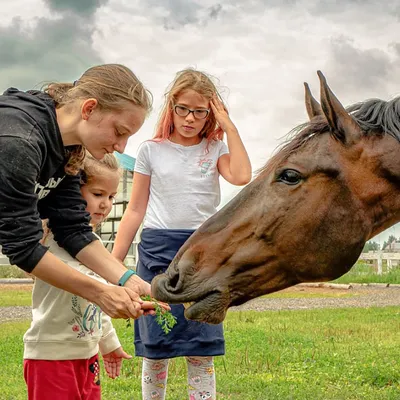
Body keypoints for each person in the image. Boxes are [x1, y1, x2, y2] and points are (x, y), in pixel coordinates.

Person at [112, 68, 252, 400]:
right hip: (157, 254)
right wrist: (113, 263)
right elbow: (135, 210)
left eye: (200, 111)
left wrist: (228, 126)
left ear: (211, 114)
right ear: (171, 107)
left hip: (203, 255)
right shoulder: (150, 151)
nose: (190, 118)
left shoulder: (215, 149)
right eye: (183, 109)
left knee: (201, 349)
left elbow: (243, 175)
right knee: (155, 351)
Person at [0, 64, 156, 319]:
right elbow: (23, 247)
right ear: (89, 108)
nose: (120, 146)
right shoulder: (20, 142)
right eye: (119, 132)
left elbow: (72, 229)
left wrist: (128, 279)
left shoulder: (69, 147)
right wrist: (100, 293)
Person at [24, 153, 131, 400]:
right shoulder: (51, 239)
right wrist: (117, 288)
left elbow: (95, 301)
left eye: (111, 196)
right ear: (72, 192)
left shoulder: (92, 244)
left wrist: (109, 344)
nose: (106, 204)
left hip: (87, 354)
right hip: (51, 356)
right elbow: (82, 281)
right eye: (97, 194)